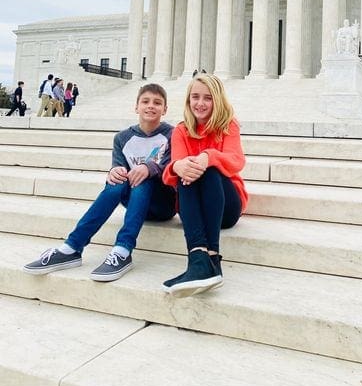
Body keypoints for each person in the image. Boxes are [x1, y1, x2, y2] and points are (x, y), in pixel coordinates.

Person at [24, 83, 176, 282]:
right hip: (135, 201)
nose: (151, 106)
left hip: (162, 203)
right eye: (145, 101)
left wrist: (149, 168)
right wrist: (115, 171)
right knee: (116, 183)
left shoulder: (172, 134)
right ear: (136, 106)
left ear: (165, 109)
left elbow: (172, 167)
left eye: (157, 103)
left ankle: (122, 251)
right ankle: (71, 248)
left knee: (143, 178)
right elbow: (117, 166)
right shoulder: (122, 138)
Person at [162, 73, 247, 297]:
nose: (200, 103)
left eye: (207, 98)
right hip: (195, 205)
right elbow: (173, 169)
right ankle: (201, 259)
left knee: (207, 170)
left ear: (217, 100)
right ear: (188, 100)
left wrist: (208, 157)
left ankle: (209, 258)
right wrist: (177, 167)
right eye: (195, 97)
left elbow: (236, 161)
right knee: (186, 170)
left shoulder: (228, 125)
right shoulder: (180, 130)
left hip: (227, 208)